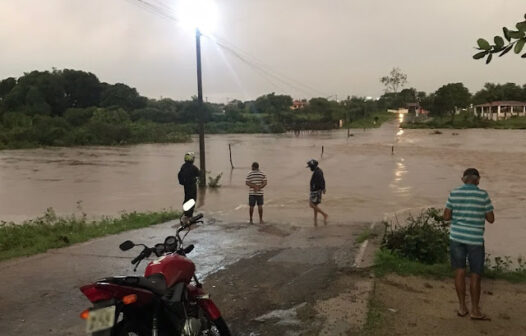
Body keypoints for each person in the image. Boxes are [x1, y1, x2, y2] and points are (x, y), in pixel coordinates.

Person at [443, 168, 495, 321]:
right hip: (475, 239)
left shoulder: (454, 193)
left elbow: (446, 216)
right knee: (475, 275)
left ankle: (461, 307)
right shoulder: (483, 195)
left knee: (459, 272)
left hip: (457, 237)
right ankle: (475, 311)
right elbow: (491, 219)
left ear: (462, 179)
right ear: (478, 180)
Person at [178, 152, 200, 217]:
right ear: (192, 159)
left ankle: (186, 213)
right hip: (192, 186)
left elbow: (180, 176)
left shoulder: (183, 167)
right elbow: (199, 175)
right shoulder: (194, 167)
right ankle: (189, 215)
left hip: (186, 186)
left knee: (187, 198)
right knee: (192, 199)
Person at [306, 159, 328, 226]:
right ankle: (315, 220)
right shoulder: (318, 171)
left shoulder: (318, 172)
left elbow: (322, 180)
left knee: (311, 204)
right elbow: (323, 180)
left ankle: (324, 214)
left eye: (310, 167)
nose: (310, 168)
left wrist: (323, 188)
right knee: (315, 205)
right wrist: (323, 188)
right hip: (316, 190)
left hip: (316, 191)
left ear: (313, 166)